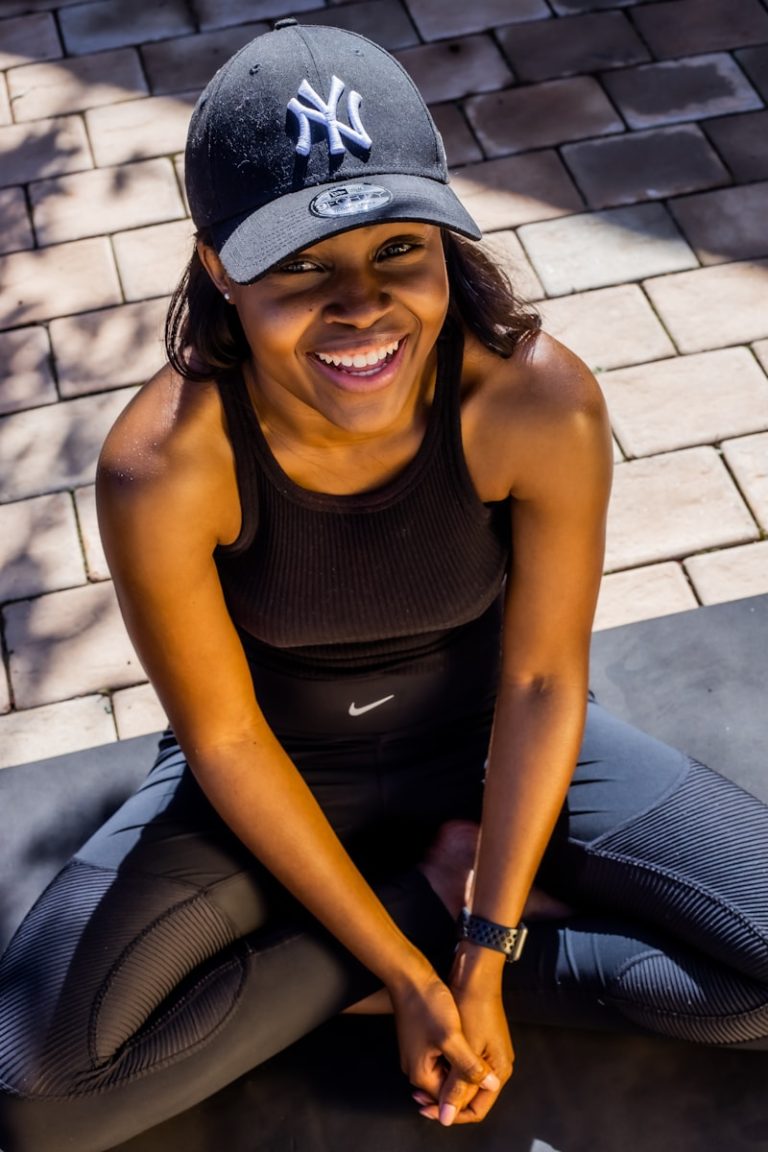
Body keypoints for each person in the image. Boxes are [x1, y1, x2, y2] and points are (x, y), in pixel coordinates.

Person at [1, 19, 768, 1152]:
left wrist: (488, 957)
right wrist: (410, 965)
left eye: (399, 248)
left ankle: (433, 930)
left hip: (492, 743)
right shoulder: (163, 466)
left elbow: (545, 683)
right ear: (218, 269)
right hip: (276, 768)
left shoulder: (536, 401)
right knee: (39, 1094)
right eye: (301, 264)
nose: (361, 306)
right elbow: (223, 741)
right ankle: (417, 899)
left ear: (445, 240)